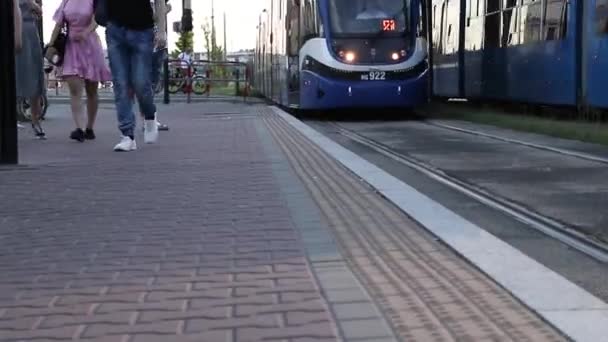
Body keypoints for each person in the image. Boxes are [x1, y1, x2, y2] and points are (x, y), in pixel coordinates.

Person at [105, 0, 167, 152]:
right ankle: (127, 136)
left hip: (142, 30)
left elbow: (159, 2)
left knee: (140, 81)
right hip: (115, 29)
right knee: (121, 83)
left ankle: (150, 115)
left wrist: (161, 31)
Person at [49, 0, 112, 142]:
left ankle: (90, 127)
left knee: (91, 90)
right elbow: (58, 24)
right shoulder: (66, 1)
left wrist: (86, 31)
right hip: (71, 47)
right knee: (75, 89)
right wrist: (51, 46)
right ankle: (80, 128)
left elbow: (97, 19)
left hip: (90, 45)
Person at [14, 0, 46, 139]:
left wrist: (35, 7)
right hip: (16, 31)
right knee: (16, 73)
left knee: (34, 73)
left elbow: (39, 11)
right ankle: (14, 117)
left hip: (29, 32)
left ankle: (35, 119)